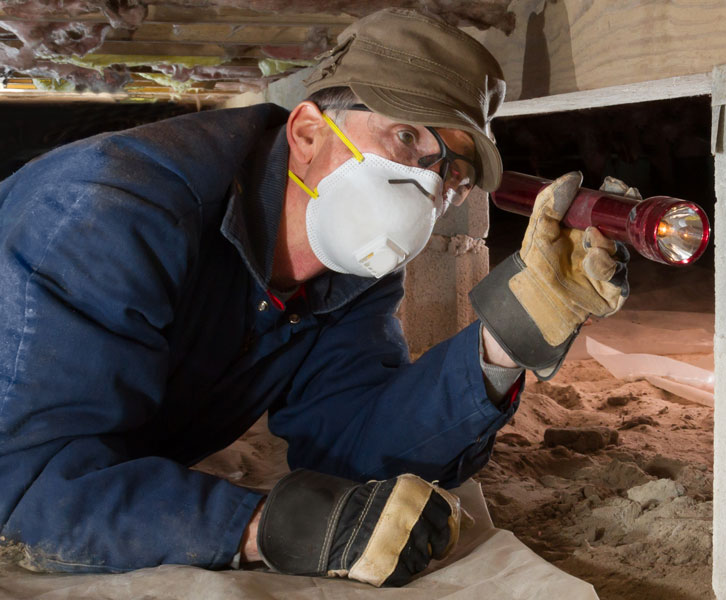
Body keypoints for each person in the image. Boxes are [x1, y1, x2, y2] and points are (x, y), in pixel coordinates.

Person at [0, 8, 629, 588]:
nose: (427, 183)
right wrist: (264, 526)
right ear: (306, 132)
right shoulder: (107, 214)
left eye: (453, 170)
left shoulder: (351, 273)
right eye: (407, 137)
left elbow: (352, 443)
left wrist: (506, 338)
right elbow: (27, 489)